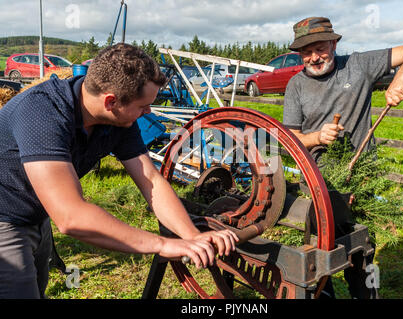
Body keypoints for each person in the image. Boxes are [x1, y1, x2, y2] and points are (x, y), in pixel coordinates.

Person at [0, 43, 238, 299]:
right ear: (111, 101)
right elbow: (71, 217)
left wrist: (192, 236)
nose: (148, 112)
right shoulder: (43, 113)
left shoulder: (119, 120)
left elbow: (151, 181)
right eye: (143, 106)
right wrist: (162, 244)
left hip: (35, 214)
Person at [283, 16, 403, 162]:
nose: (314, 57)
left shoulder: (358, 65)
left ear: (333, 44)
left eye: (320, 49)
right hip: (317, 179)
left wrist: (401, 77)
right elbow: (290, 140)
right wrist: (317, 137)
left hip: (362, 174)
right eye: (307, 52)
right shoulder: (296, 85)